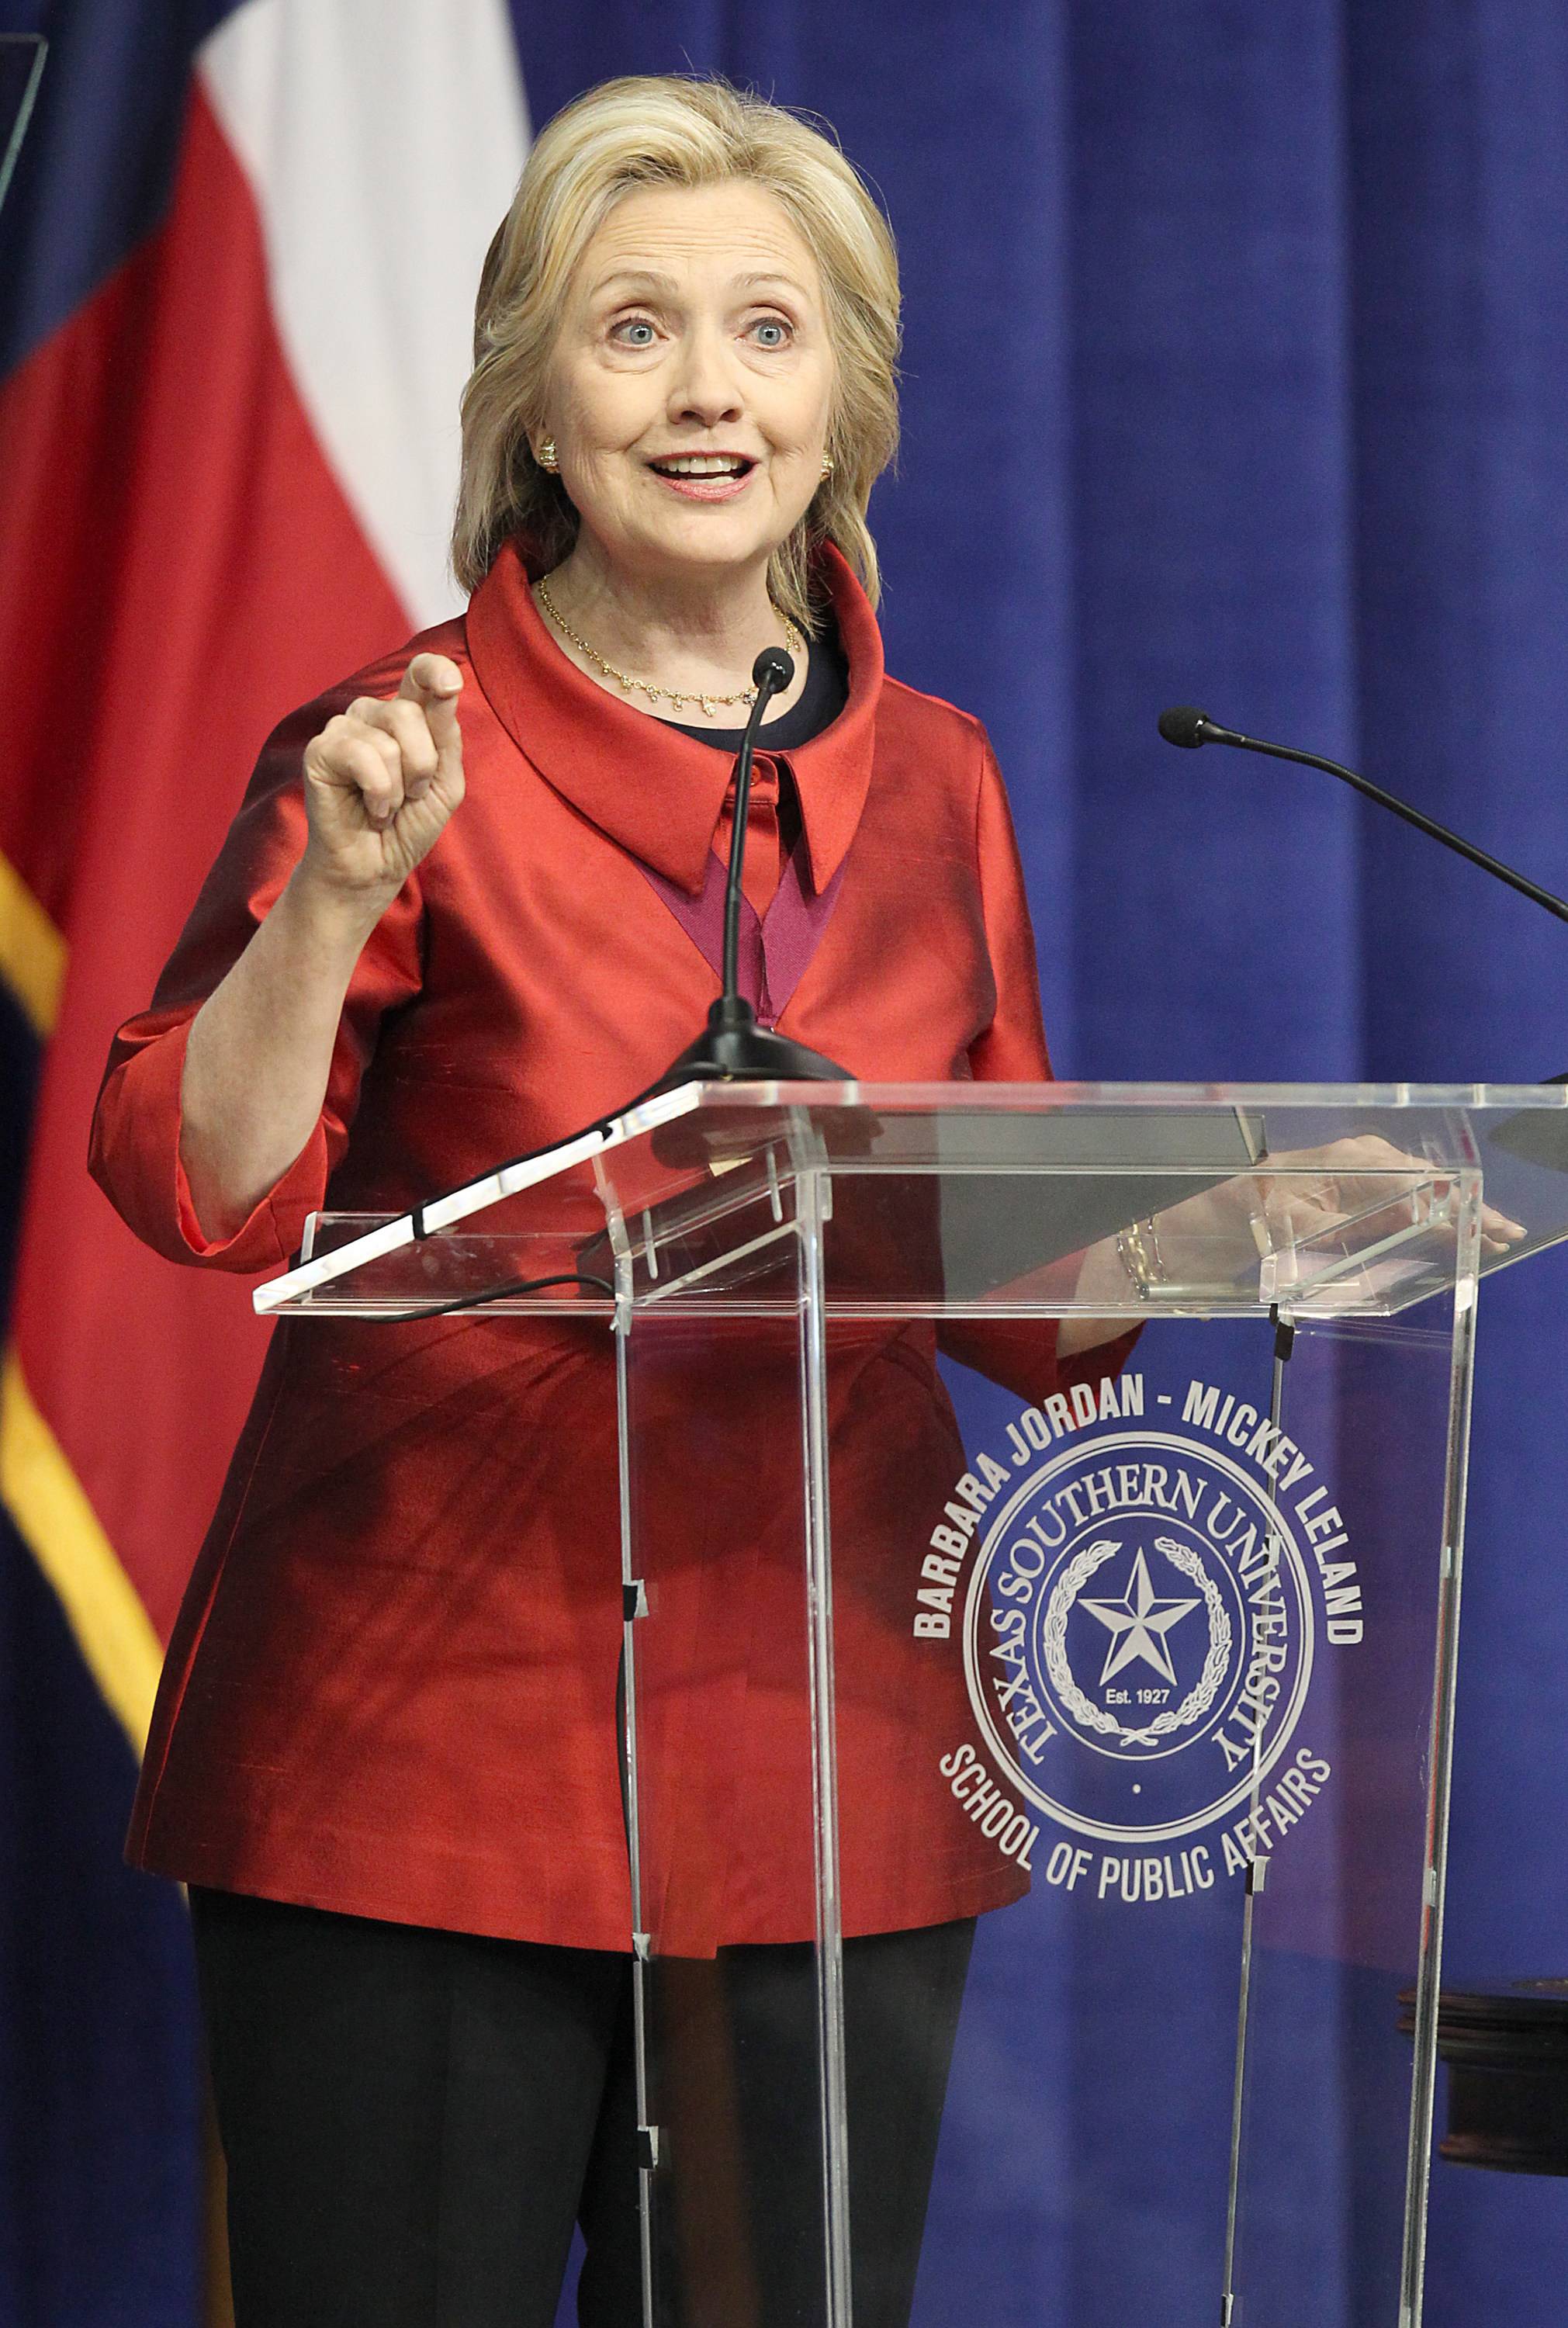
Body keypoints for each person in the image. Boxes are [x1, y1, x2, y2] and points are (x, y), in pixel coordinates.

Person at [89, 73, 1149, 2328]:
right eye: (635, 328)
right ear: (537, 403)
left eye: (769, 330)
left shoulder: (941, 781)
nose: (706, 390)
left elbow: (1040, 1310)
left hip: (837, 1759)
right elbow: (190, 1183)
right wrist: (330, 906)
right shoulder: (396, 747)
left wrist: (1242, 1211)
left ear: (847, 398)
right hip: (417, 1754)